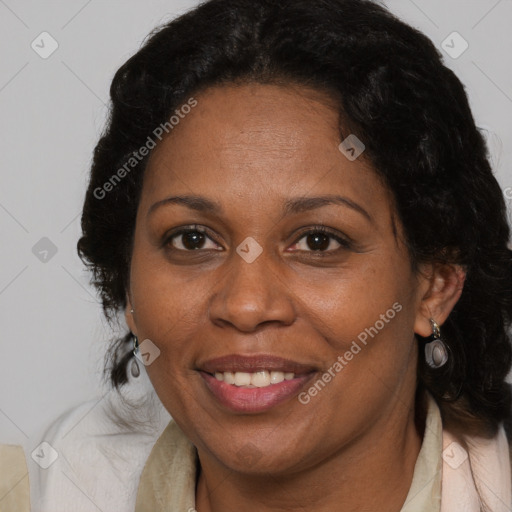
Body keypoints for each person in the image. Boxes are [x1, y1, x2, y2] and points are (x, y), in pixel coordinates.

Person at [1, 0, 511, 510]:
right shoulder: (32, 491)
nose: (245, 306)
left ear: (435, 287)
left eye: (318, 241)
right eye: (193, 239)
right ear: (128, 283)